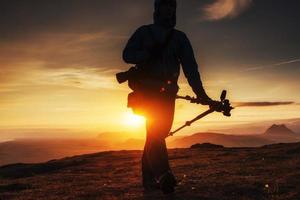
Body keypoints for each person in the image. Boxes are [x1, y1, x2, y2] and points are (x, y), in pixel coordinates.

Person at [122, 0, 213, 194]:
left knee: (155, 134)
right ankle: (164, 175)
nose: (170, 10)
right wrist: (146, 54)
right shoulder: (144, 32)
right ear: (157, 9)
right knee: (156, 131)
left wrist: (201, 94)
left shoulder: (179, 38)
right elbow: (127, 55)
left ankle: (150, 180)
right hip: (146, 94)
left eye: (173, 7)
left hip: (167, 95)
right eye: (166, 6)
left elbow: (191, 68)